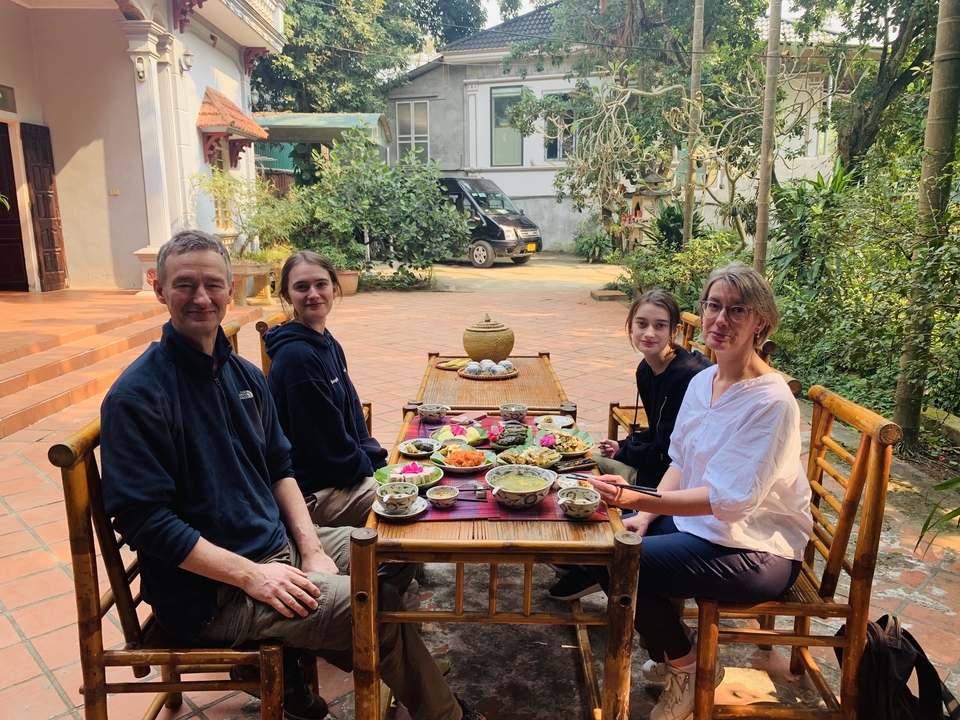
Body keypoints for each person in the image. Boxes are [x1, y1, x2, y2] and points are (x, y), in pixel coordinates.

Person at [100, 231, 486, 720]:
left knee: (396, 550)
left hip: (273, 547)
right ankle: (440, 710)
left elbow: (280, 467)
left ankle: (317, 679)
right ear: (159, 289)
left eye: (213, 284)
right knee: (376, 611)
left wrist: (310, 548)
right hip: (210, 593)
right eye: (185, 285)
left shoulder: (242, 375)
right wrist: (253, 576)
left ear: (230, 288)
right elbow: (145, 521)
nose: (201, 298)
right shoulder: (139, 396)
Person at [587, 262, 813, 720]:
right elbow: (680, 461)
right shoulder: (702, 381)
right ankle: (675, 651)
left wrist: (636, 498)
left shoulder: (771, 402)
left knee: (621, 564)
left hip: (755, 548)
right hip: (702, 525)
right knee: (610, 539)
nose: (720, 320)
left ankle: (687, 671)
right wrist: (646, 515)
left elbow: (730, 501)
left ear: (761, 323)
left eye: (737, 310)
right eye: (713, 306)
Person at [548, 289, 711, 601]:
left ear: (675, 330)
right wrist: (624, 444)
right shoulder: (645, 368)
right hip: (655, 463)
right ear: (631, 326)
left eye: (660, 326)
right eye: (642, 324)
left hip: (672, 480)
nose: (649, 333)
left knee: (584, 477)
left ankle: (592, 566)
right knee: (573, 466)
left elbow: (669, 452)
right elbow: (657, 431)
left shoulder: (688, 377)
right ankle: (582, 560)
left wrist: (625, 451)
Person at [264, 250, 387, 528]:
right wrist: (374, 473)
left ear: (334, 288)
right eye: (301, 287)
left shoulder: (326, 342)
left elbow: (354, 416)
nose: (313, 294)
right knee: (410, 498)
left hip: (339, 477)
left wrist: (377, 463)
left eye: (320, 284)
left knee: (410, 479)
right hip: (313, 494)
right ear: (287, 296)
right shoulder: (297, 358)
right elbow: (328, 454)